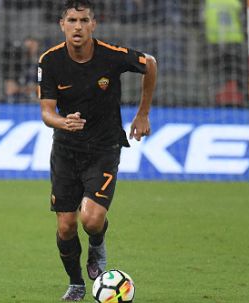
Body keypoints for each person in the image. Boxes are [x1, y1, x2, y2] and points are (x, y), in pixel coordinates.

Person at [37, 0, 157, 301]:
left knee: (90, 220)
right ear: (61, 24)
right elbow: (46, 113)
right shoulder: (50, 61)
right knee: (66, 226)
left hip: (104, 147)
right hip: (66, 150)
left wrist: (142, 114)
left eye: (84, 20)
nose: (78, 26)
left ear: (93, 24)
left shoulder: (110, 56)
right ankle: (76, 283)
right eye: (72, 20)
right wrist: (64, 122)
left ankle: (97, 244)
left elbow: (150, 64)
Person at [202, 0, 245, 106]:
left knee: (217, 72)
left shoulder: (209, 2)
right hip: (234, 40)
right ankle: (239, 99)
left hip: (214, 41)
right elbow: (242, 18)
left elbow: (202, 19)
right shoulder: (235, 2)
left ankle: (214, 99)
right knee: (235, 72)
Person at [3, 36, 40, 103]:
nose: (30, 49)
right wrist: (30, 89)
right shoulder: (15, 63)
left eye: (33, 46)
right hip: (17, 102)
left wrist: (19, 88)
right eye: (28, 47)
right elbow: (10, 89)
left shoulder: (41, 64)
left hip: (35, 102)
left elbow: (43, 88)